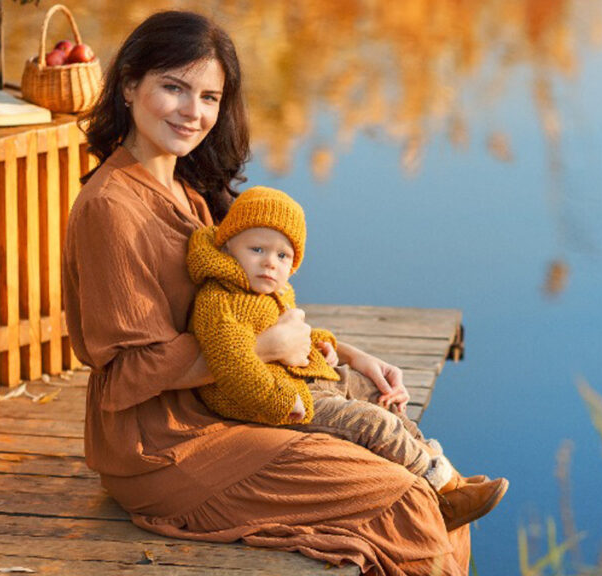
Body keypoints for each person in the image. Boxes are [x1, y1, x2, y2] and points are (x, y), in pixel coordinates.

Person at [62, 11, 478, 575]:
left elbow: (238, 313)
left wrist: (351, 354)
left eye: (209, 97)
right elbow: (125, 378)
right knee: (408, 501)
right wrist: (262, 349)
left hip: (226, 407)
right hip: (162, 446)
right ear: (130, 84)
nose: (193, 112)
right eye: (174, 88)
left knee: (423, 483)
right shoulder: (112, 209)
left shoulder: (188, 193)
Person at [185, 186, 509, 529]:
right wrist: (280, 401)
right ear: (227, 246)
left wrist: (326, 345)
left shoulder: (269, 289)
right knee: (371, 423)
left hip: (301, 377)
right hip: (273, 400)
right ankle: (443, 500)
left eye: (282, 256)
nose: (270, 262)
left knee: (375, 393)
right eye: (257, 249)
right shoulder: (220, 299)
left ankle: (445, 474)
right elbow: (232, 362)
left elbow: (293, 332)